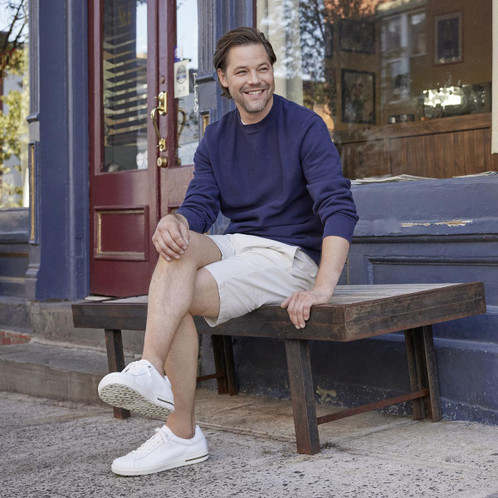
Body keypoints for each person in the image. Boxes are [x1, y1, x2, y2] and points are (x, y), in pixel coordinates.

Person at [98, 26, 358, 477]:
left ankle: (176, 424)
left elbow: (338, 207)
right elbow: (200, 204)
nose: (255, 79)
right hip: (242, 245)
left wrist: (322, 288)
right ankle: (155, 383)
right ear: (223, 78)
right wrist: (175, 220)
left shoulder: (304, 126)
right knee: (176, 248)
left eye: (263, 68)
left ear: (271, 71)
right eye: (242, 71)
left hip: (289, 255)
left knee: (176, 291)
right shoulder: (217, 138)